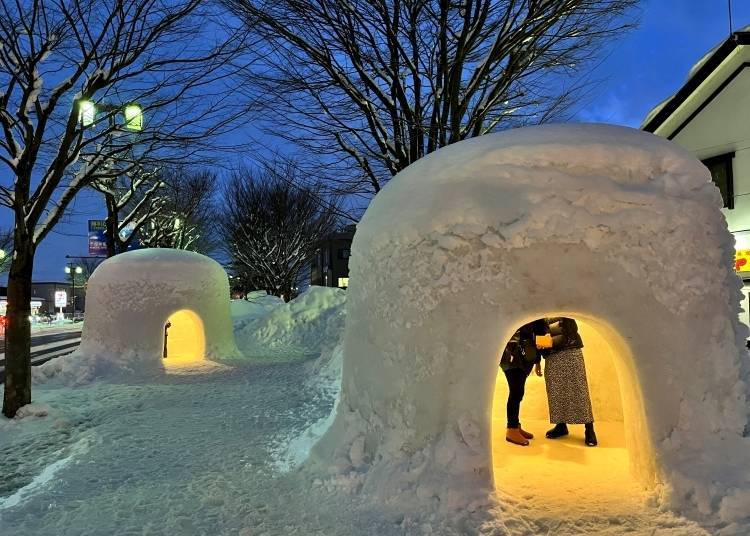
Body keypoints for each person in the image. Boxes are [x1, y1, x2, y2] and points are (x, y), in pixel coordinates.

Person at [542, 317, 597, 446]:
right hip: (552, 354)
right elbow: (540, 333)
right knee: (556, 392)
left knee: (579, 390)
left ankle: (589, 429)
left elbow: (569, 328)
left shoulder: (564, 306)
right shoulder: (540, 312)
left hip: (570, 350)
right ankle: (561, 425)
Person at [500, 319, 547, 446]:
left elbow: (536, 335)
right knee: (516, 392)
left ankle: (515, 425)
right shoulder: (521, 312)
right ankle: (511, 429)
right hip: (511, 354)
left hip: (525, 356)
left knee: (518, 393)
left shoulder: (534, 316)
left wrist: (537, 361)